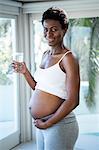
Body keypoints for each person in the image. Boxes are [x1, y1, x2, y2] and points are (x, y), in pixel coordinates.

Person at [13, 7, 80, 150]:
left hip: (60, 124)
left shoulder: (68, 58)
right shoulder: (45, 54)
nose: (48, 34)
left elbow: (73, 100)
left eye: (54, 29)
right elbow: (39, 88)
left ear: (64, 29)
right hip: (43, 125)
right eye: (45, 29)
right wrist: (25, 72)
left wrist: (49, 123)